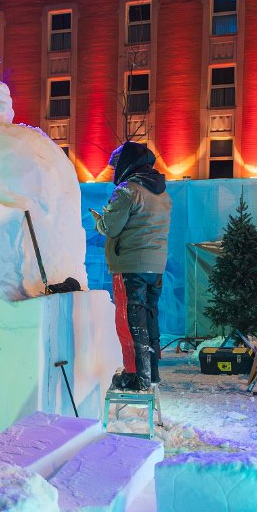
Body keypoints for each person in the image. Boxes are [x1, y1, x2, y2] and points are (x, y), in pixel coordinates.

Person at [92, 141, 172, 391]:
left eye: (116, 165)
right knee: (149, 317)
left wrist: (100, 220)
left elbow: (111, 227)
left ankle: (137, 376)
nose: (114, 171)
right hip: (155, 266)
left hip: (130, 265)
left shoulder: (128, 190)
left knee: (129, 320)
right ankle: (152, 372)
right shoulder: (162, 192)